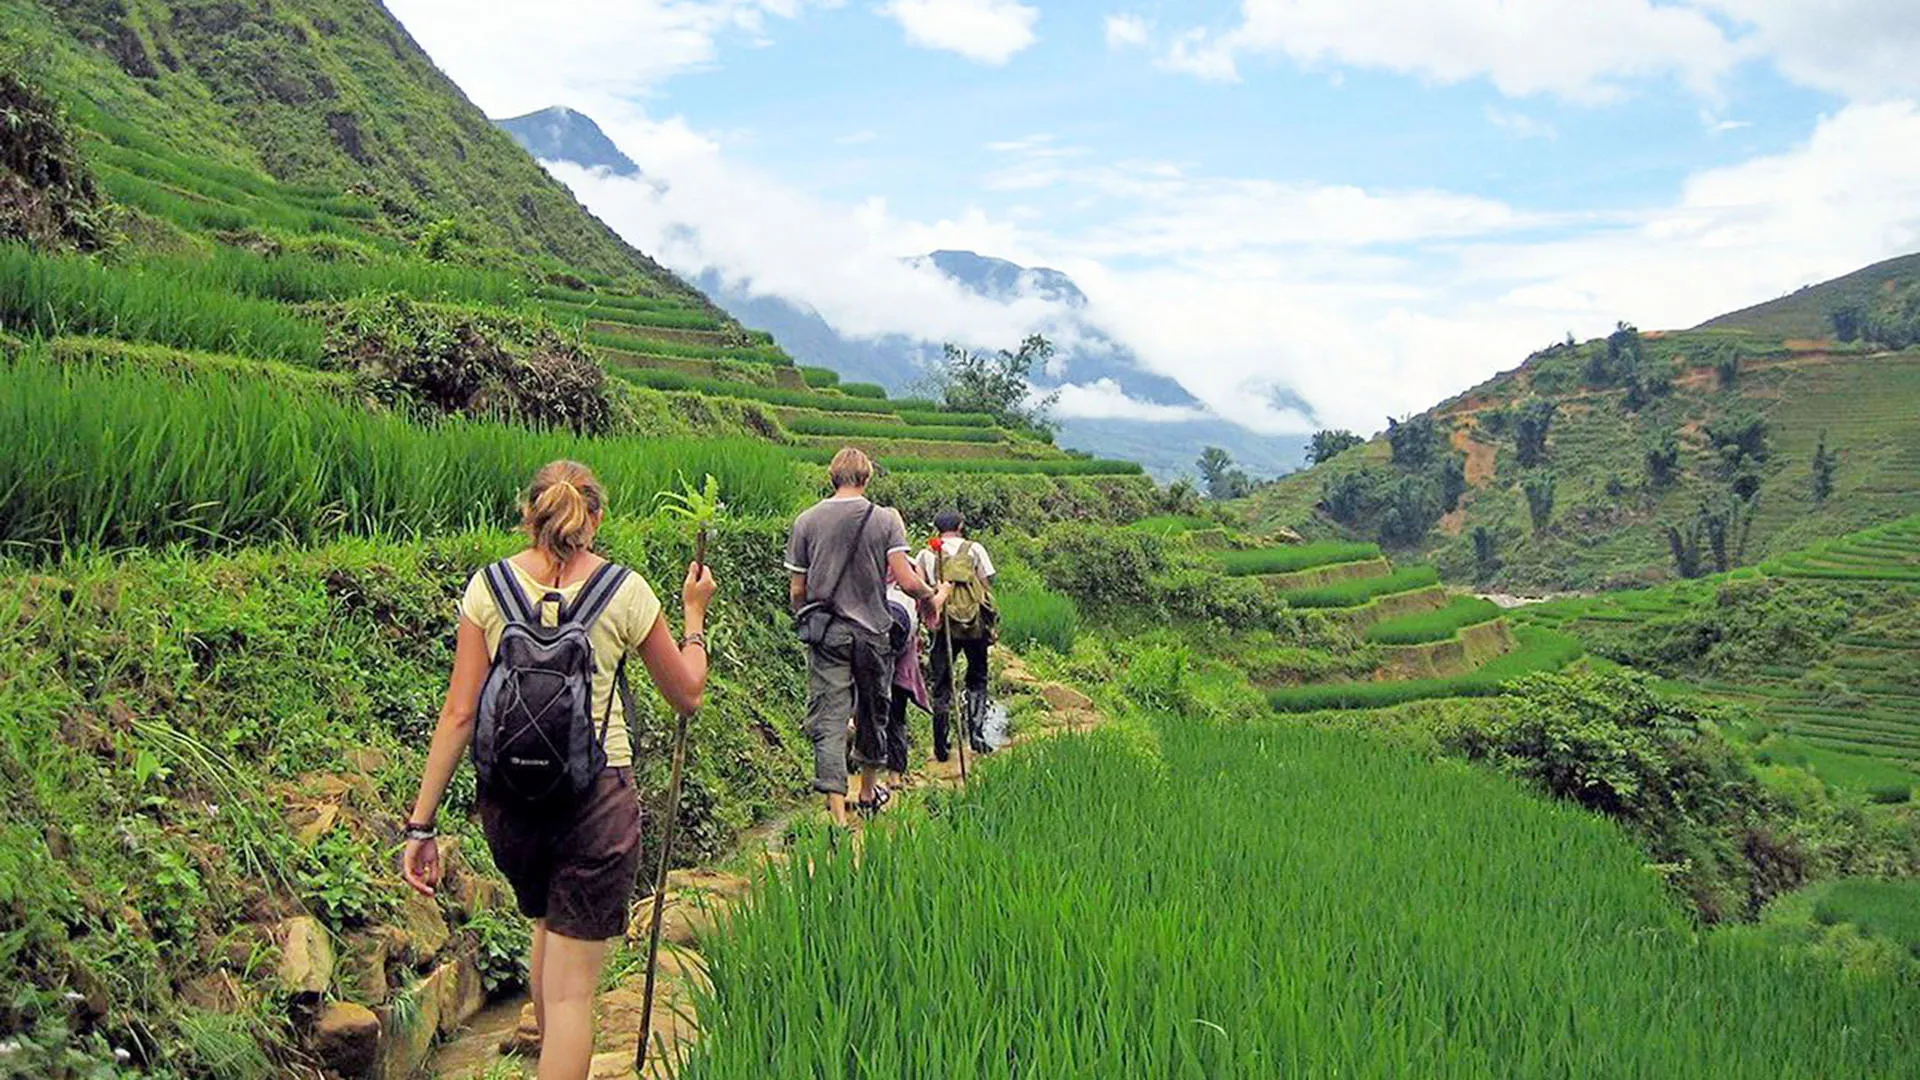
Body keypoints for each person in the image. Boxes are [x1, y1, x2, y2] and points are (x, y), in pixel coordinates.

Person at [400, 460, 715, 1080]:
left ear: (529, 514)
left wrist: (420, 824)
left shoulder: (488, 587)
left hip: (510, 805)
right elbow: (688, 694)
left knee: (547, 923)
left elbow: (461, 712)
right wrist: (695, 617)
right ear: (594, 517)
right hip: (596, 801)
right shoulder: (625, 591)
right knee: (574, 997)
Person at [787, 447, 942, 825]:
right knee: (874, 711)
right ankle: (870, 791)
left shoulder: (806, 521)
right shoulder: (886, 519)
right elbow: (905, 580)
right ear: (866, 478)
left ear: (831, 476)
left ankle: (837, 813)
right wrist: (930, 598)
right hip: (873, 631)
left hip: (829, 634)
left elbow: (797, 590)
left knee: (830, 717)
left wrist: (810, 618)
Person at [917, 509, 998, 760]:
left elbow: (922, 592)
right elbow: (986, 584)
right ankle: (976, 734)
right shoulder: (974, 549)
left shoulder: (926, 554)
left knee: (941, 682)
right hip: (974, 624)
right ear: (961, 526)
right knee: (978, 677)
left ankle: (941, 746)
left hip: (943, 625)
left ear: (936, 528)